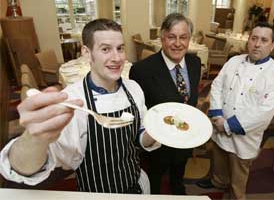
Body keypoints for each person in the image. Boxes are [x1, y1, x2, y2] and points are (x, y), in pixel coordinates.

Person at [0, 18, 160, 193]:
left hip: (138, 185)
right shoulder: (72, 100)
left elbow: (138, 136)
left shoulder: (134, 88)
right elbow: (28, 166)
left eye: (120, 48)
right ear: (86, 52)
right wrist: (34, 138)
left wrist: (157, 133)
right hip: (96, 193)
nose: (117, 58)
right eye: (105, 49)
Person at [196, 22, 274, 199]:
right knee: (219, 159)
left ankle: (236, 195)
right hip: (219, 123)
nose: (257, 44)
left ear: (273, 45)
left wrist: (228, 125)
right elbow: (216, 86)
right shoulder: (234, 61)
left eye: (263, 40)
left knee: (239, 173)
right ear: (248, 40)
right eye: (254, 38)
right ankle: (218, 181)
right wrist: (216, 114)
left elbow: (264, 113)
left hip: (244, 136)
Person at [129, 13, 201, 195]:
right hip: (157, 145)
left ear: (189, 39)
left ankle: (178, 189)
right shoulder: (142, 70)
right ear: (162, 38)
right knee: (155, 179)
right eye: (172, 37)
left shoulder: (195, 62)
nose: (178, 43)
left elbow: (191, 99)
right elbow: (139, 112)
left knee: (179, 175)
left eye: (183, 37)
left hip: (186, 137)